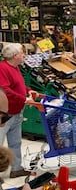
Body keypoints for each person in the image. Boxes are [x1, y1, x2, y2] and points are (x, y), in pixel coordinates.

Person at [0, 43, 37, 178]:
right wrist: (23, 99)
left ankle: (16, 168)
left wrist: (28, 90)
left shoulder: (15, 67)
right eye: (22, 53)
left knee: (15, 142)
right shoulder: (2, 68)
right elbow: (5, 90)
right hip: (4, 113)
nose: (24, 55)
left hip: (16, 111)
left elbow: (18, 84)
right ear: (15, 56)